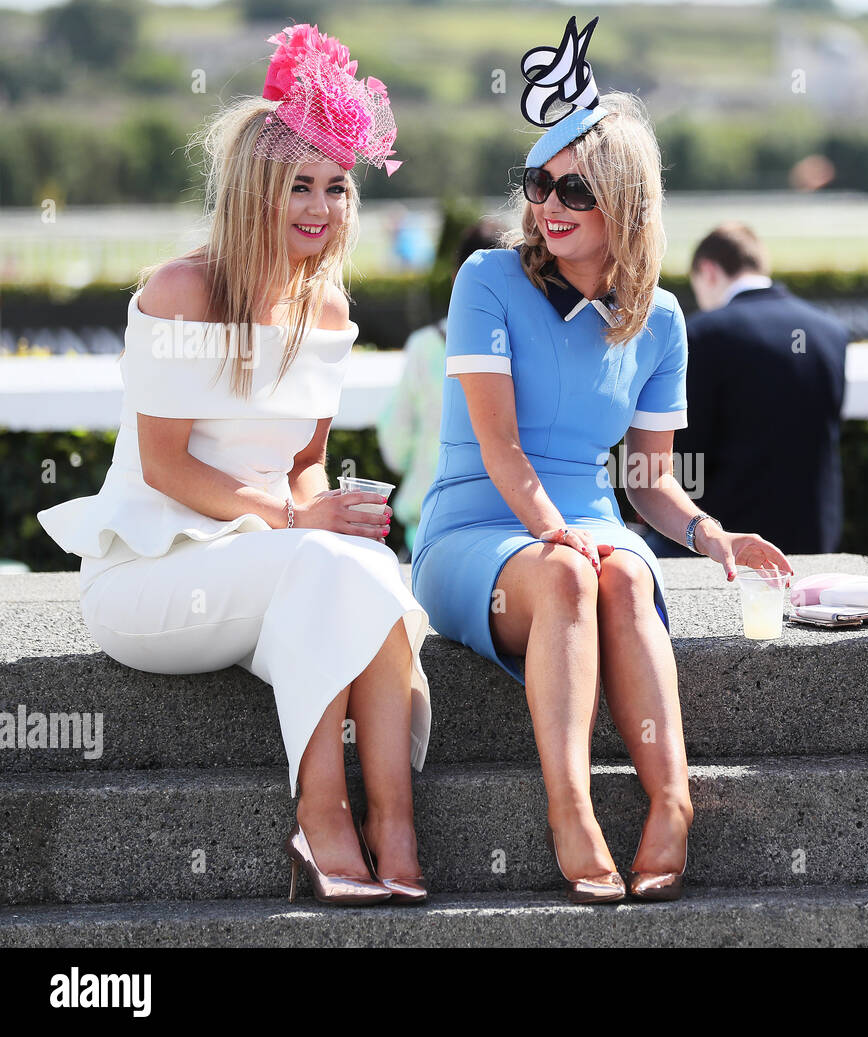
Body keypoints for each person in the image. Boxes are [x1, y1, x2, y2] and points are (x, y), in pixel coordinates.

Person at [36, 24, 432, 906]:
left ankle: (395, 821)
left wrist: (333, 512)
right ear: (256, 186)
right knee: (332, 564)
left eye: (336, 186)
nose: (321, 207)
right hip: (151, 576)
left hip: (271, 570)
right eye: (300, 184)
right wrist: (299, 524)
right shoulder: (180, 290)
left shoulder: (326, 308)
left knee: (364, 562)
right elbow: (167, 465)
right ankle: (323, 813)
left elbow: (305, 468)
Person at [410, 18, 789, 904]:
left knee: (618, 574)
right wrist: (558, 536)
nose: (549, 204)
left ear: (626, 199)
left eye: (574, 186)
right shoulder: (487, 280)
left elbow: (650, 481)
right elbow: (498, 445)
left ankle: (673, 799)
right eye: (540, 182)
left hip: (586, 529)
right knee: (583, 573)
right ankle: (570, 807)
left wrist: (712, 534)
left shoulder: (659, 318)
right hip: (476, 529)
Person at [664, 222, 847, 556]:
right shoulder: (830, 331)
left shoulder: (704, 333)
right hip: (815, 533)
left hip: (725, 538)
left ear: (708, 270)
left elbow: (685, 447)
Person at [377, 218, 505, 557]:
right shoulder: (529, 348)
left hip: (426, 527)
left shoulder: (424, 345)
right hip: (510, 529)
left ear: (455, 279)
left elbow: (395, 442)